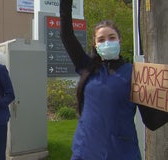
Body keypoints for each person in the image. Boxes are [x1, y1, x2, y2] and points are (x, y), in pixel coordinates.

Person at [60, 0, 168, 159]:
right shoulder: (87, 67)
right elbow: (66, 35)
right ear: (95, 45)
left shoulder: (138, 73)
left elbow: (152, 122)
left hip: (121, 153)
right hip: (86, 151)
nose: (107, 42)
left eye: (111, 37)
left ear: (119, 41)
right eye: (101, 40)